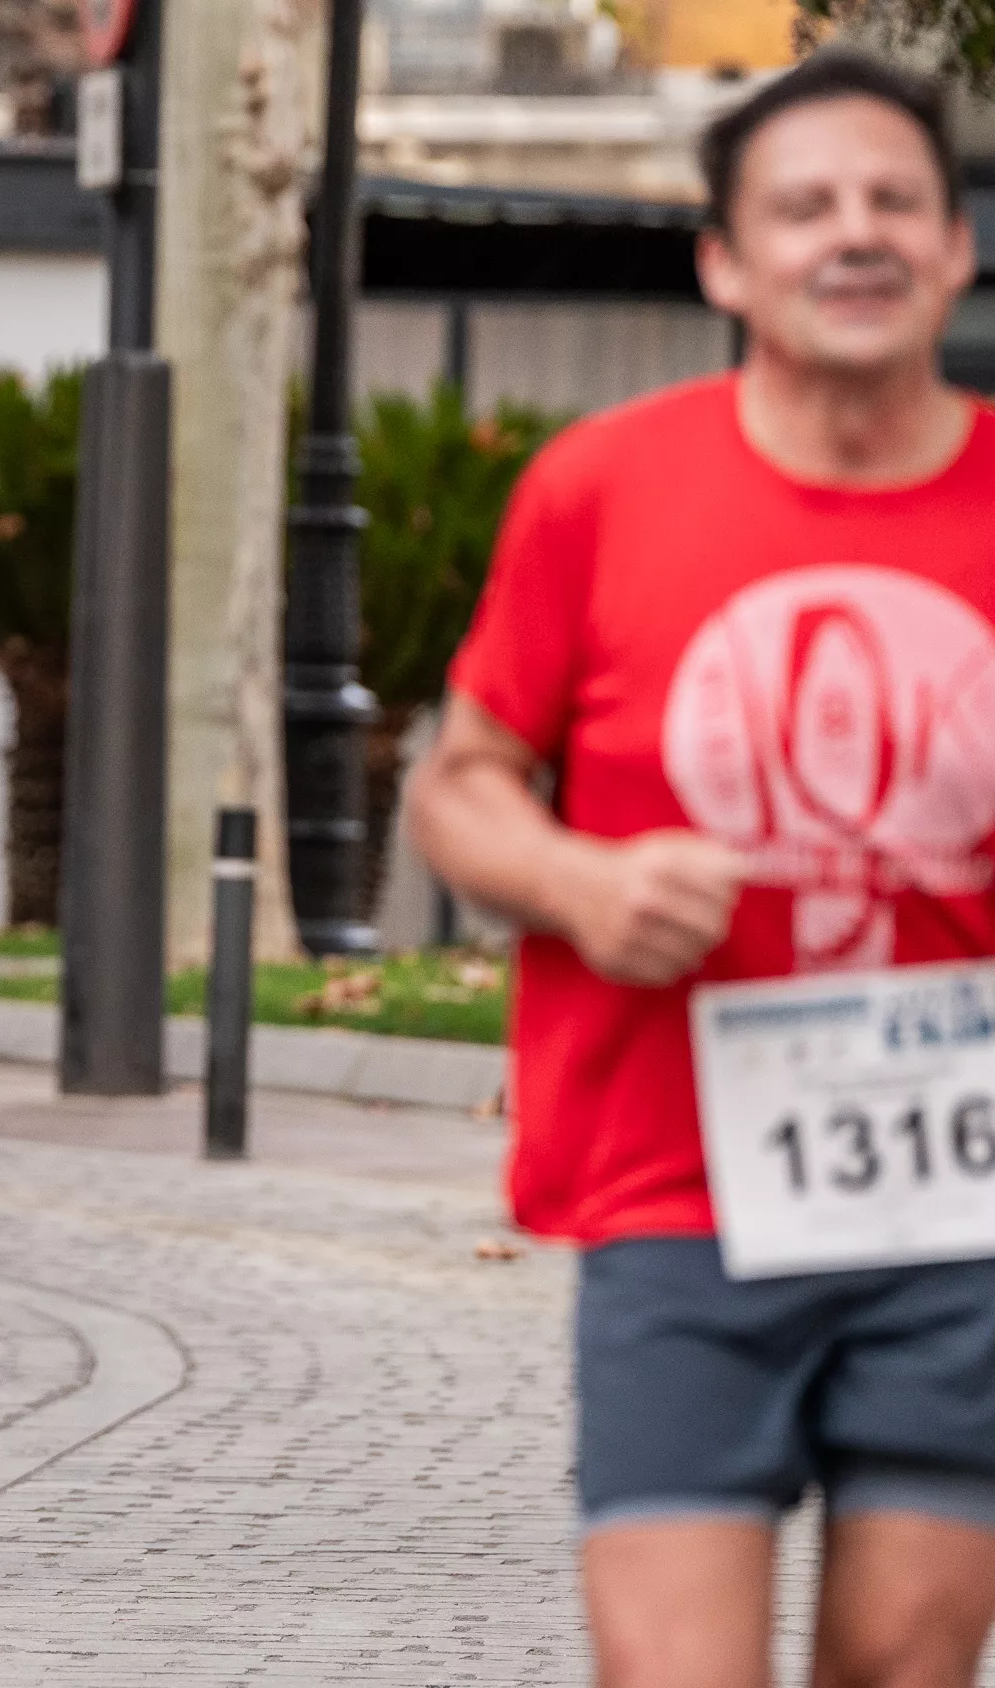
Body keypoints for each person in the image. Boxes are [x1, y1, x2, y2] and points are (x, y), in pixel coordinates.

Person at [407, 55, 995, 1687]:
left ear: (956, 247)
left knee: (903, 1664)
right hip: (679, 1189)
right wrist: (585, 883)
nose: (854, 234)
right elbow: (460, 789)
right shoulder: (603, 488)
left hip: (964, 1206)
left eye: (895, 200)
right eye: (805, 205)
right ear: (726, 261)